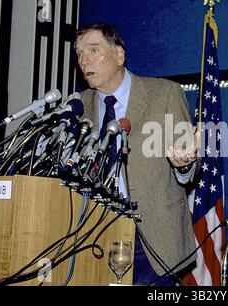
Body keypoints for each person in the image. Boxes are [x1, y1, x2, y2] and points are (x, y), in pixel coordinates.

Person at [74, 23, 199, 285]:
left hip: (153, 239)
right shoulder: (77, 106)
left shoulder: (164, 94)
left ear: (119, 56)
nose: (84, 61)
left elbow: (187, 166)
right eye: (79, 54)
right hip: (94, 236)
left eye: (93, 50)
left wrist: (184, 165)